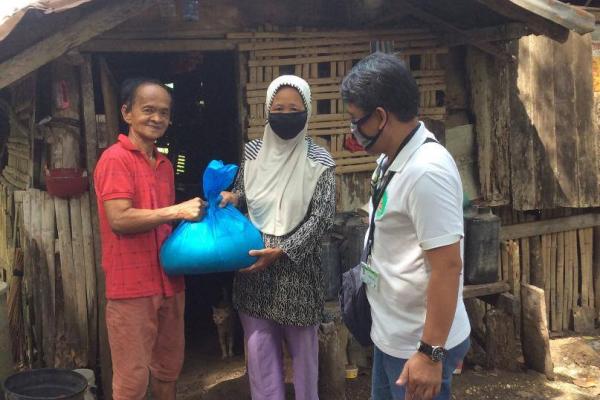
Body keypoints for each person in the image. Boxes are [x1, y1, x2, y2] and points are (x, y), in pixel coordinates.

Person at [341, 53, 471, 400]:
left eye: (357, 120)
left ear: (381, 117)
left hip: (419, 343)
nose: (353, 130)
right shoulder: (391, 158)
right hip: (392, 334)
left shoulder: (427, 172)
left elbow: (448, 266)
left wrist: (431, 354)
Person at [220, 75, 336, 400]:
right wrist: (233, 197)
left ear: (307, 110)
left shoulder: (320, 160)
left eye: (294, 108)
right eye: (279, 107)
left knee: (304, 359)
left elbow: (322, 217)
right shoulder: (253, 151)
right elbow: (245, 191)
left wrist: (283, 250)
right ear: (267, 110)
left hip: (297, 272)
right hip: (253, 265)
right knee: (259, 355)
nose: (286, 114)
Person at [94, 78, 205, 400]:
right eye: (148, 110)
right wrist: (177, 211)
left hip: (170, 282)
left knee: (168, 369)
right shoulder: (115, 158)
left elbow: (166, 221)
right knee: (131, 382)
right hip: (131, 288)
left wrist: (206, 209)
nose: (157, 118)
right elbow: (120, 219)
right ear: (127, 113)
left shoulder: (165, 164)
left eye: (164, 112)